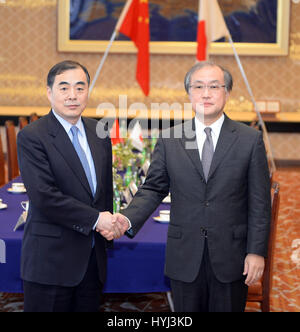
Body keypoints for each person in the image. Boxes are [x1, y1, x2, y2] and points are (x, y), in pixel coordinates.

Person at [112, 61, 271, 312]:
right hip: (184, 254)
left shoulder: (249, 140)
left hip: (232, 256)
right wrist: (127, 219)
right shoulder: (170, 138)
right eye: (198, 86)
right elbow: (153, 189)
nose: (206, 93)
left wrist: (256, 252)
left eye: (214, 86)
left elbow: (260, 203)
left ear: (227, 93)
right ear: (188, 94)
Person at [17, 60, 120, 312]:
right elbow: (45, 197)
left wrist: (109, 228)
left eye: (80, 87)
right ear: (49, 93)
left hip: (92, 262)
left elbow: (103, 193)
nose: (72, 95)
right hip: (51, 262)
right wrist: (98, 220)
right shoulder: (33, 136)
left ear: (88, 92)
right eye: (64, 88)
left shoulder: (99, 133)